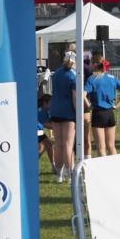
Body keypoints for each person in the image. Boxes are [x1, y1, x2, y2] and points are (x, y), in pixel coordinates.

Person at [85, 57, 120, 157]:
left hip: (98, 113)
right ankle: (116, 168)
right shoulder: (112, 78)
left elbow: (82, 94)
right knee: (111, 146)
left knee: (101, 147)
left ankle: (105, 170)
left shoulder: (92, 79)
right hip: (110, 113)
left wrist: (88, 106)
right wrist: (117, 105)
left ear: (95, 65)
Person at [48, 51, 79, 183]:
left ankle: (59, 174)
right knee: (68, 144)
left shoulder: (56, 73)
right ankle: (71, 173)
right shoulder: (73, 75)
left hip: (55, 110)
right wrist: (78, 112)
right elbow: (74, 97)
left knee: (59, 144)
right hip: (68, 112)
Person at [37, 94, 56, 173]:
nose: (51, 105)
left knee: (48, 145)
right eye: (50, 103)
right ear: (45, 103)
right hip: (34, 131)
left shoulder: (46, 110)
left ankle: (53, 166)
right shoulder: (40, 111)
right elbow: (47, 125)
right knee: (42, 146)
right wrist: (58, 126)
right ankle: (31, 164)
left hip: (39, 131)